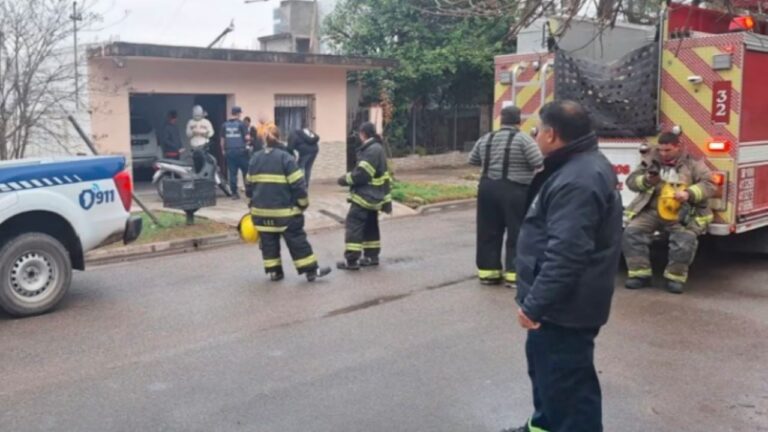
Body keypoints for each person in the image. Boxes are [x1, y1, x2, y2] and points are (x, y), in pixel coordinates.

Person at [503, 100, 623, 432]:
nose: (535, 137)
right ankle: (542, 425)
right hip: (561, 306)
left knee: (569, 390)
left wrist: (535, 304)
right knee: (549, 379)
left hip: (565, 309)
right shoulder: (577, 167)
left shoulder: (578, 179)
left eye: (538, 131)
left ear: (552, 134)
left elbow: (567, 254)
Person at [622, 132, 715, 294]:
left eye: (668, 150)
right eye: (660, 150)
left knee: (685, 238)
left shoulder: (693, 165)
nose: (663, 154)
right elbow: (631, 182)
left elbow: (710, 185)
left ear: (678, 147)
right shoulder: (650, 163)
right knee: (632, 232)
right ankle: (640, 275)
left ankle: (674, 278)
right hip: (652, 211)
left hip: (680, 213)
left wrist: (688, 193)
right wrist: (647, 180)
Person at [245, 122, 331, 282]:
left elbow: (249, 187)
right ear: (279, 138)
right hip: (285, 213)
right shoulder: (286, 158)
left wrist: (252, 205)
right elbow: (299, 185)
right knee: (297, 241)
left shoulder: (254, 159)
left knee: (268, 243)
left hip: (261, 214)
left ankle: (274, 272)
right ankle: (311, 271)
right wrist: (302, 204)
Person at [469, 105, 543, 287]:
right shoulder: (524, 140)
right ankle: (514, 274)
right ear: (519, 121)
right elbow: (538, 162)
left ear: (501, 120)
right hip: (515, 190)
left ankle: (488, 273)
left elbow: (472, 160)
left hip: (487, 189)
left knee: (488, 231)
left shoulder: (486, 138)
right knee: (517, 231)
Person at [336, 122, 392, 270]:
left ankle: (351, 260)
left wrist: (344, 179)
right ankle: (371, 256)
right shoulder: (377, 148)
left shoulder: (371, 150)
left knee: (354, 225)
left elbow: (362, 174)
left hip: (364, 196)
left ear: (363, 134)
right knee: (370, 225)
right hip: (374, 196)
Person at [221, 106, 250, 200]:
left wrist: (223, 150)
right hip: (241, 151)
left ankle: (234, 194)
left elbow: (222, 140)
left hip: (229, 151)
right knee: (246, 171)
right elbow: (247, 138)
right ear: (238, 113)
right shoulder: (242, 124)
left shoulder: (224, 125)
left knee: (233, 173)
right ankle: (248, 191)